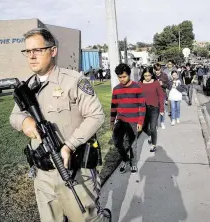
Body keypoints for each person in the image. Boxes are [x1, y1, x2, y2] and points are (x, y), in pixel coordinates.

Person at [9, 28, 109, 222]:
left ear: (53, 51)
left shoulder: (74, 81)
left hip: (73, 171)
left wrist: (69, 145)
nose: (31, 56)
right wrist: (24, 121)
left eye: (37, 50)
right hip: (42, 175)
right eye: (27, 52)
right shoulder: (27, 87)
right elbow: (14, 115)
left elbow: (96, 115)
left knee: (85, 218)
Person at [110, 63, 145, 174]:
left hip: (133, 121)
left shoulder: (137, 87)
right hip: (120, 120)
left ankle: (133, 163)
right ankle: (125, 159)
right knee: (117, 142)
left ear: (129, 75)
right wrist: (111, 121)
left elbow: (142, 106)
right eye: (119, 77)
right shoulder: (116, 89)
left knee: (132, 144)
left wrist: (140, 122)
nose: (122, 79)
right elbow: (113, 106)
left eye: (124, 76)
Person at [138, 67, 164, 152]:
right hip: (143, 109)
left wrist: (162, 109)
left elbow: (161, 95)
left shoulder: (156, 83)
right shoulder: (140, 83)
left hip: (154, 109)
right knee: (144, 127)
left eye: (149, 75)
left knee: (153, 127)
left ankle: (153, 145)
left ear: (152, 74)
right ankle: (150, 135)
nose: (147, 77)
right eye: (145, 75)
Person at [153, 63, 169, 129]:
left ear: (160, 69)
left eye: (158, 69)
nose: (157, 71)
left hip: (162, 94)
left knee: (162, 109)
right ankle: (156, 124)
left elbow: (168, 86)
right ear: (154, 70)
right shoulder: (152, 76)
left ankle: (162, 122)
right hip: (154, 95)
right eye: (156, 70)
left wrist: (162, 84)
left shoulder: (164, 76)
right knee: (155, 110)